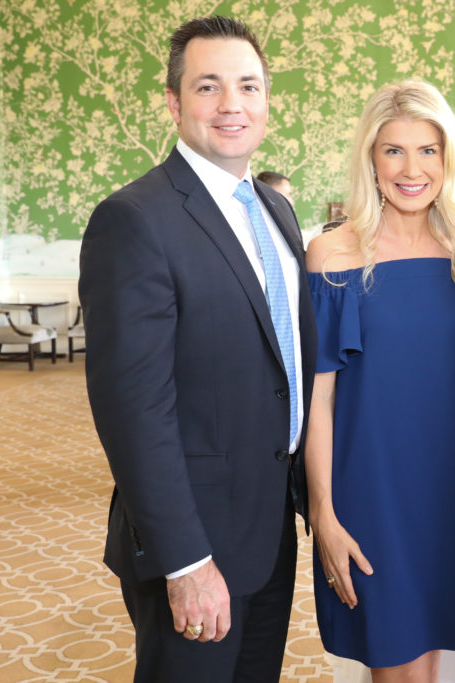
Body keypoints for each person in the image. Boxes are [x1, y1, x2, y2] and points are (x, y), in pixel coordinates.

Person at [79, 16, 316, 681]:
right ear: (174, 101)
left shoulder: (276, 209)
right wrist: (185, 561)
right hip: (194, 542)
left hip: (267, 527)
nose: (232, 104)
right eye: (208, 86)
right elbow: (133, 410)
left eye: (248, 85)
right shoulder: (134, 219)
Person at [304, 81, 455, 683]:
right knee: (396, 665)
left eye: (428, 150)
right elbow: (318, 402)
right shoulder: (332, 255)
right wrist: (324, 515)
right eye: (394, 151)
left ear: (448, 158)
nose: (412, 168)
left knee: (439, 663)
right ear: (371, 160)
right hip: (370, 494)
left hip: (453, 491)